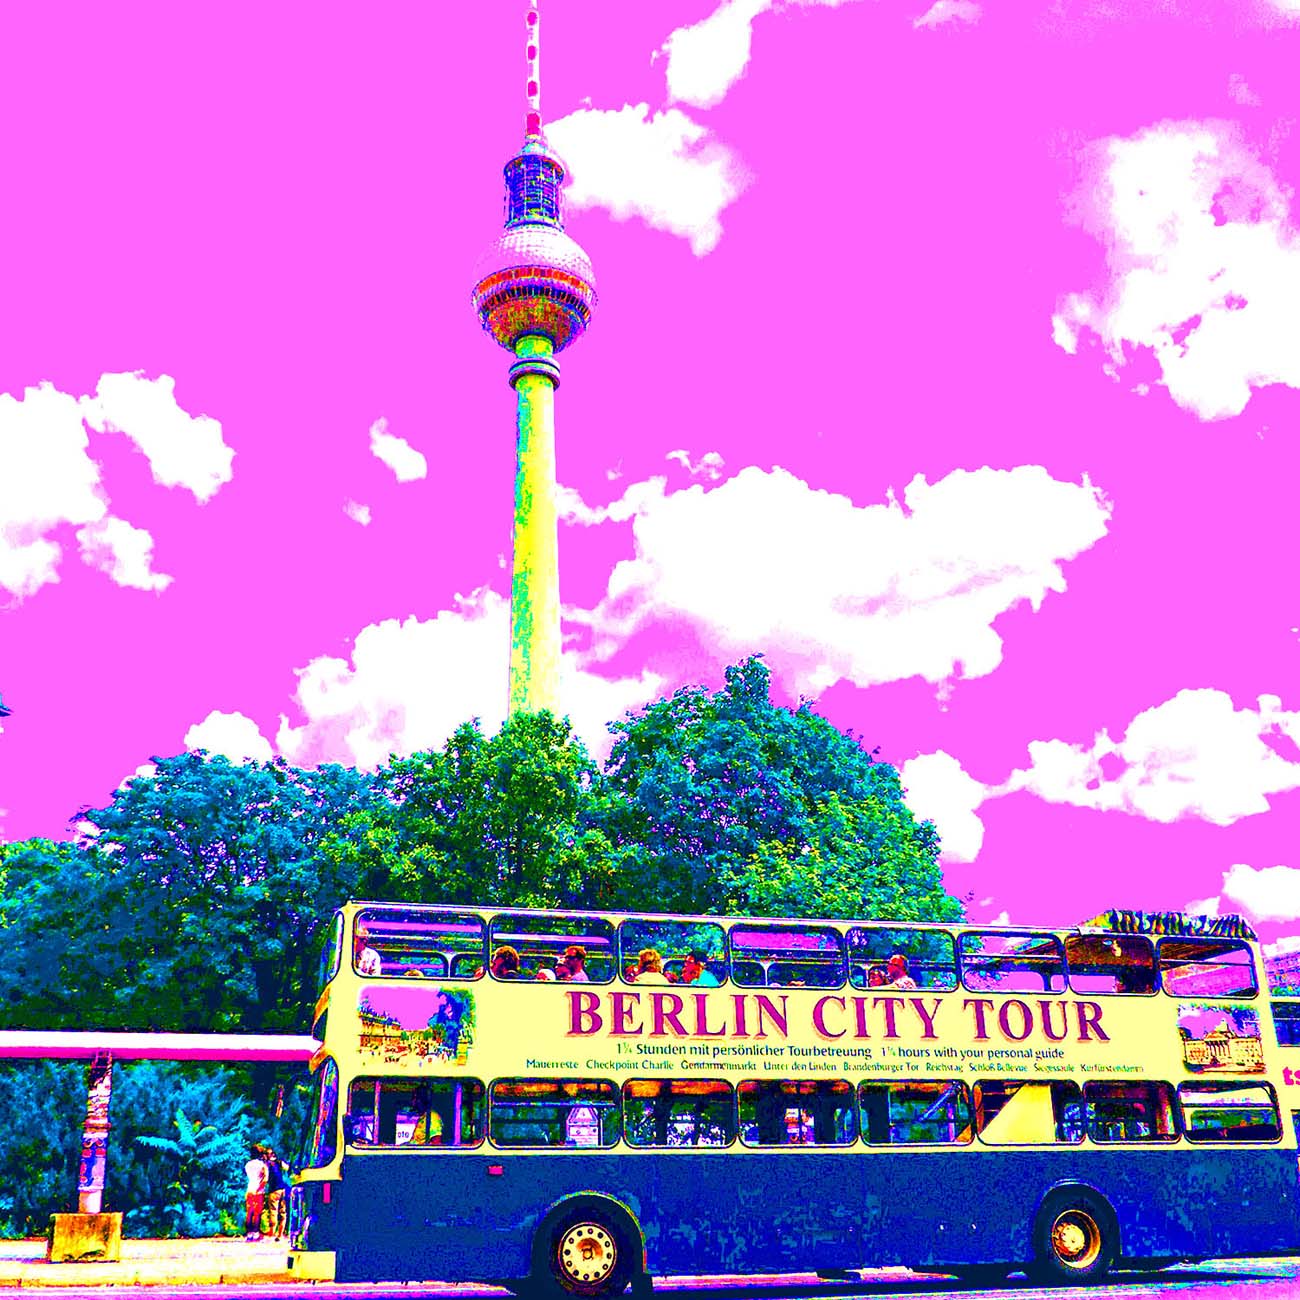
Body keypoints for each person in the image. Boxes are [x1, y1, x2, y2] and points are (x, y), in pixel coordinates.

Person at [262, 1144, 288, 1240]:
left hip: (273, 1190)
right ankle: (280, 1235)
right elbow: (288, 1168)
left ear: (266, 1155)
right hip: (282, 1189)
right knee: (283, 1212)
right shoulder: (279, 1162)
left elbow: (266, 1177)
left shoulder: (266, 1165)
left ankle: (271, 1233)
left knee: (273, 1211)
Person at [244, 1145, 268, 1242]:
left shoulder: (247, 1165)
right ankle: (256, 1233)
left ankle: (249, 1234)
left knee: (249, 1212)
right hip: (258, 1191)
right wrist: (260, 1188)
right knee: (257, 1213)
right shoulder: (262, 1165)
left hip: (249, 1189)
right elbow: (265, 1179)